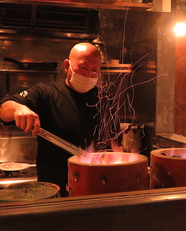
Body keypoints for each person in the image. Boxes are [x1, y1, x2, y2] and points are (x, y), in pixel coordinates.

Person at [0, 42, 120, 197]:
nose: (88, 76)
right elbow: (3, 108)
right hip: (53, 190)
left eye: (95, 71)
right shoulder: (46, 93)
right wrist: (18, 109)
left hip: (96, 187)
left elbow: (116, 143)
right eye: (83, 68)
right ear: (66, 65)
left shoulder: (105, 99)